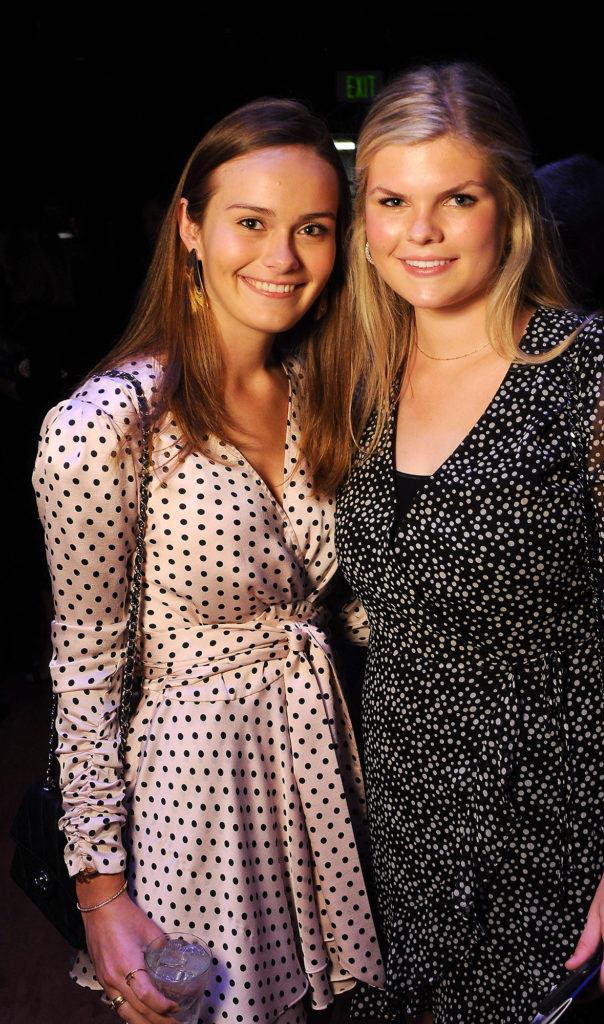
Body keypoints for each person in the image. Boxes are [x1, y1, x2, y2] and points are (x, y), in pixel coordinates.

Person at [310, 63, 604, 1023]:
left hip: (552, 832)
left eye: (455, 198)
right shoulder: (360, 379)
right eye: (391, 201)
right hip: (395, 831)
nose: (418, 232)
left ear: (509, 205)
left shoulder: (600, 369)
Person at [32, 99, 384, 1024]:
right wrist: (101, 892)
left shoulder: (325, 391)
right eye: (252, 223)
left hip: (325, 767)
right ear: (189, 227)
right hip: (197, 803)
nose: (283, 258)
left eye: (313, 228)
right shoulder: (105, 425)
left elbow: (344, 606)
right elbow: (85, 669)